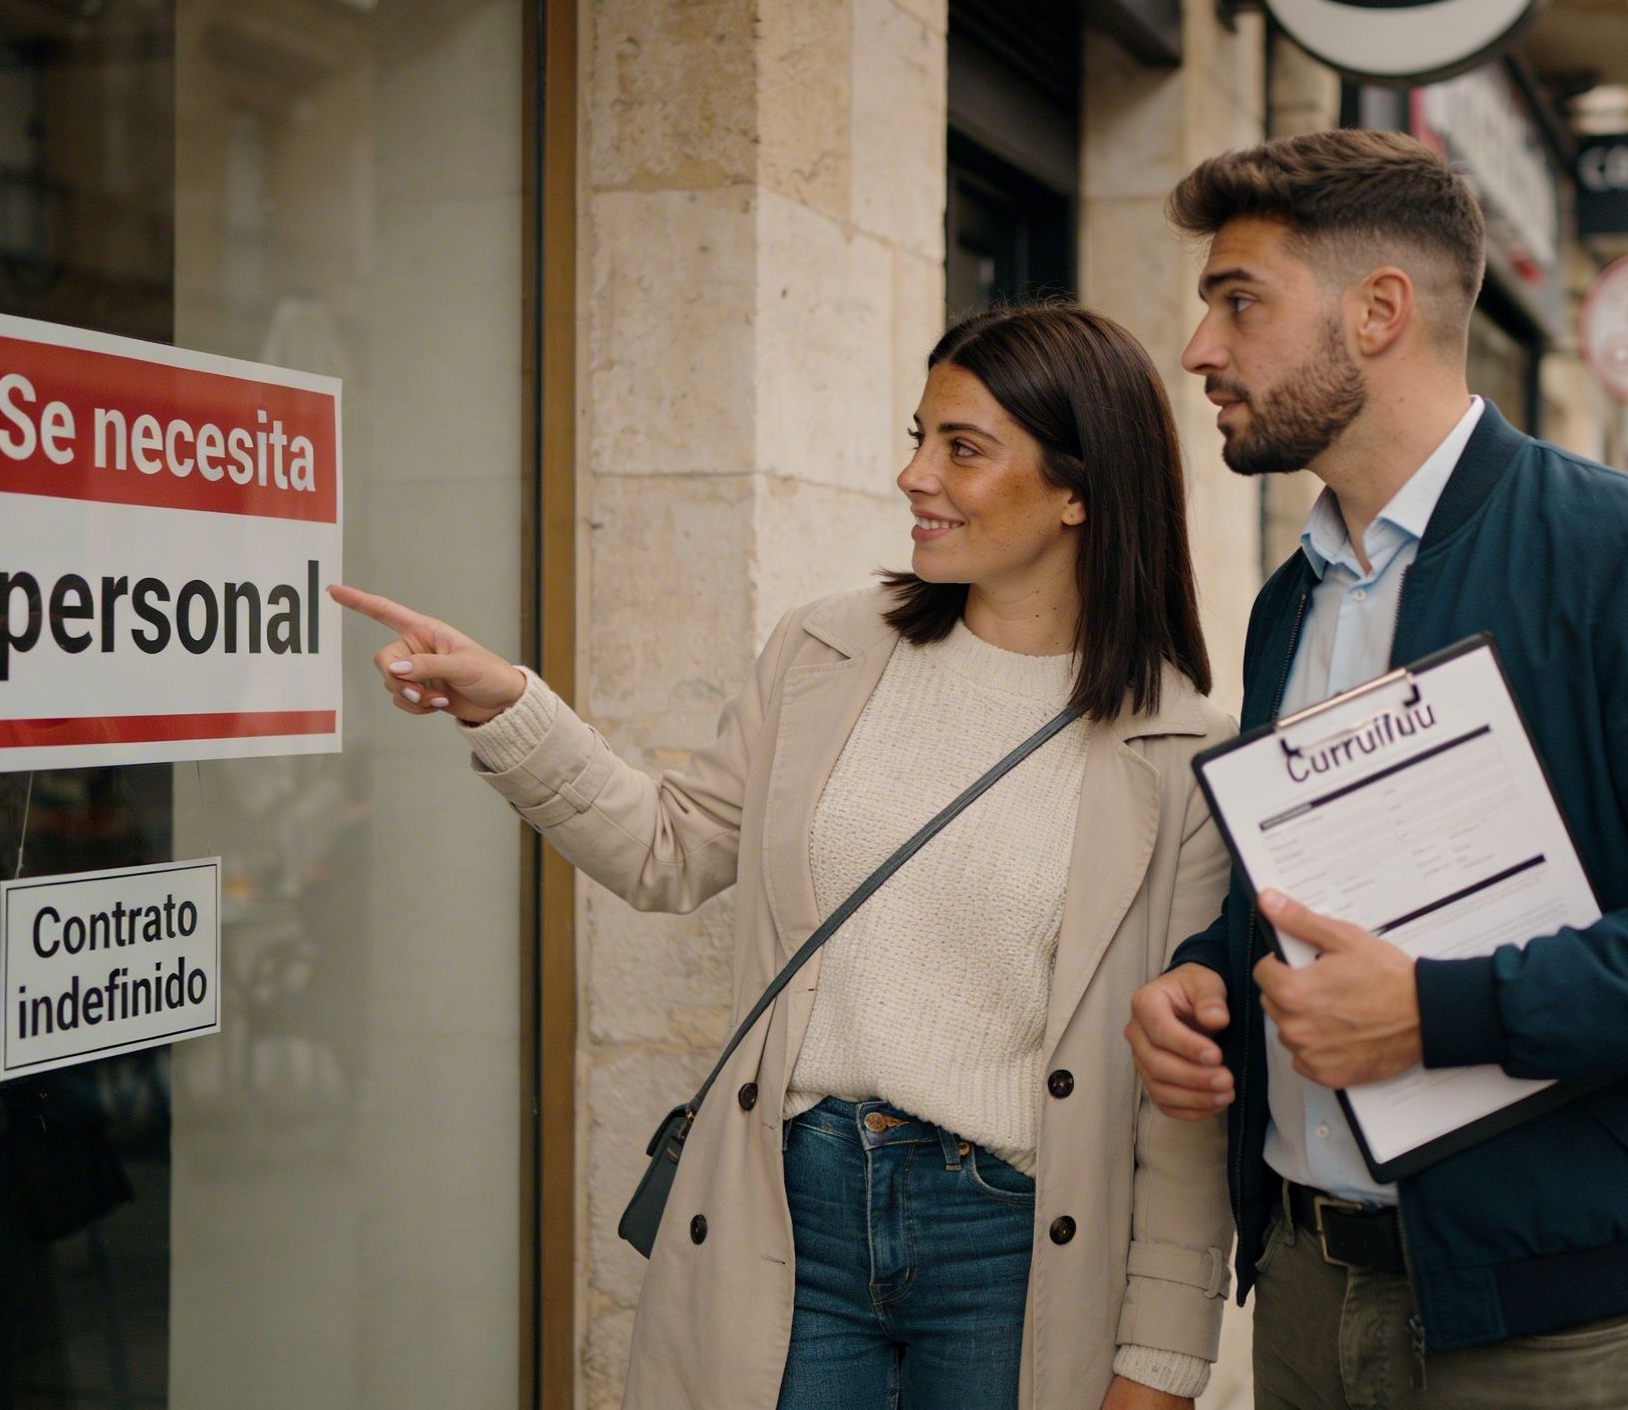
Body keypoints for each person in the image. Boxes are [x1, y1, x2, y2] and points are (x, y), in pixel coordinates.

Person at [336, 304, 1235, 1410]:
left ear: (1078, 490)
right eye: (918, 434)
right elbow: (668, 849)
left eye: (962, 448)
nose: (914, 474)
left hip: (1016, 1246)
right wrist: (509, 708)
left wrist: (1160, 1365)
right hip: (789, 1213)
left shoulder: (1178, 750)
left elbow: (1182, 1097)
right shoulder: (826, 653)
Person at [1123, 130, 1628, 1408]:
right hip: (1303, 1287)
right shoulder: (1290, 601)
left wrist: (1441, 1013)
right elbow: (1303, 899)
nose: (1200, 350)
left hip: (1554, 1329)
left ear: (1379, 311)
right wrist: (1205, 978)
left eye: (1238, 301)